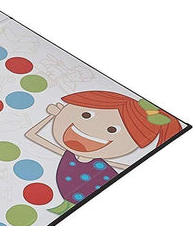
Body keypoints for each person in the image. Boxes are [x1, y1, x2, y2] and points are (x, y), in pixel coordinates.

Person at [25, 90, 181, 213]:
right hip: (70, 199)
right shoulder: (70, 155)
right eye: (86, 115)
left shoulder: (100, 164)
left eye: (112, 130)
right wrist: (53, 116)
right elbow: (31, 135)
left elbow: (126, 167)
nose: (88, 130)